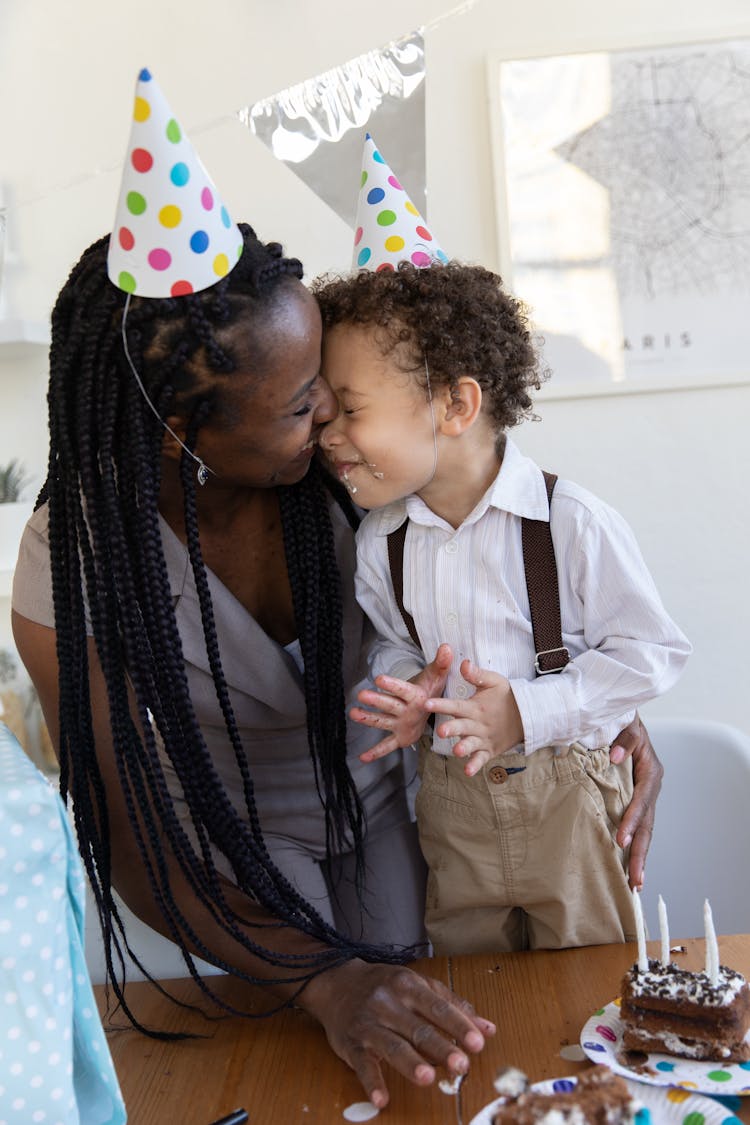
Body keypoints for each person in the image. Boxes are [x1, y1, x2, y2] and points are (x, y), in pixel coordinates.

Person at [10, 96, 664, 1109]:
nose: (331, 411)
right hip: (226, 889)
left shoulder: (355, 474)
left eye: (330, 380)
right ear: (184, 435)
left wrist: (600, 707)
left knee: (472, 1057)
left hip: (407, 825)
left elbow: (515, 567)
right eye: (299, 399)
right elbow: (127, 831)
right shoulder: (80, 555)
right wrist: (323, 979)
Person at [313, 253, 691, 956]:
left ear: (456, 405)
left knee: (591, 979)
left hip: (568, 806)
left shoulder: (570, 521)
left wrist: (527, 709)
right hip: (453, 809)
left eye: (351, 408)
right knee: (473, 982)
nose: (327, 432)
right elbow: (395, 641)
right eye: (326, 412)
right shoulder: (380, 542)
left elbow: (651, 653)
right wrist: (408, 687)